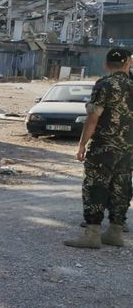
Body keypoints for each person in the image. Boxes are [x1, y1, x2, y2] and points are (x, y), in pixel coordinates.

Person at [64, 47, 133, 249]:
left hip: (104, 148)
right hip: (128, 149)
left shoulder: (104, 85)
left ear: (106, 64)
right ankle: (115, 232)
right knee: (122, 187)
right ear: (128, 63)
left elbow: (93, 119)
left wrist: (81, 145)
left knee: (96, 186)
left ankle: (92, 234)